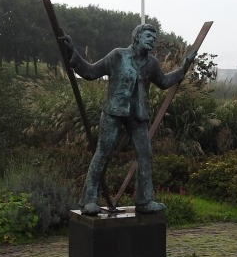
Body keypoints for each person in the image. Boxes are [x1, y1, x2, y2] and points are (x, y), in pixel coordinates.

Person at [59, 24, 195, 215]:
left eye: (154, 38)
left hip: (137, 115)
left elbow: (164, 82)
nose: (152, 41)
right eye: (148, 36)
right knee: (103, 154)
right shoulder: (118, 56)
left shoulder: (152, 63)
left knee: (145, 155)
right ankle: (88, 201)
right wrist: (73, 52)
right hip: (113, 112)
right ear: (137, 37)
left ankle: (144, 201)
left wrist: (184, 68)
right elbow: (90, 72)